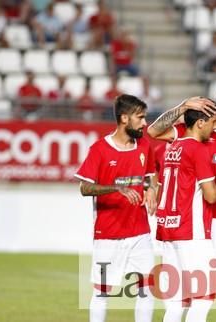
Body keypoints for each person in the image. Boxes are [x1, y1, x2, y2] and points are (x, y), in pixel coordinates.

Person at [148, 81, 216, 322]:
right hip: (202, 225)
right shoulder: (198, 132)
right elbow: (153, 131)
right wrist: (182, 107)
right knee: (193, 296)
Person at [75, 94, 157, 322]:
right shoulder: (100, 149)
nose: (144, 123)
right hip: (108, 235)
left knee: (147, 288)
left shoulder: (144, 146)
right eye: (140, 118)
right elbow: (84, 187)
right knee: (102, 292)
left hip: (140, 233)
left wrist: (152, 189)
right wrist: (115, 188)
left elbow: (152, 176)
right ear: (124, 118)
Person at [155, 108, 216, 322]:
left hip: (167, 230)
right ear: (200, 123)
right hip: (192, 232)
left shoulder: (172, 147)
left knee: (176, 302)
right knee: (204, 297)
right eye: (212, 123)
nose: (214, 128)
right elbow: (210, 196)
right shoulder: (198, 150)